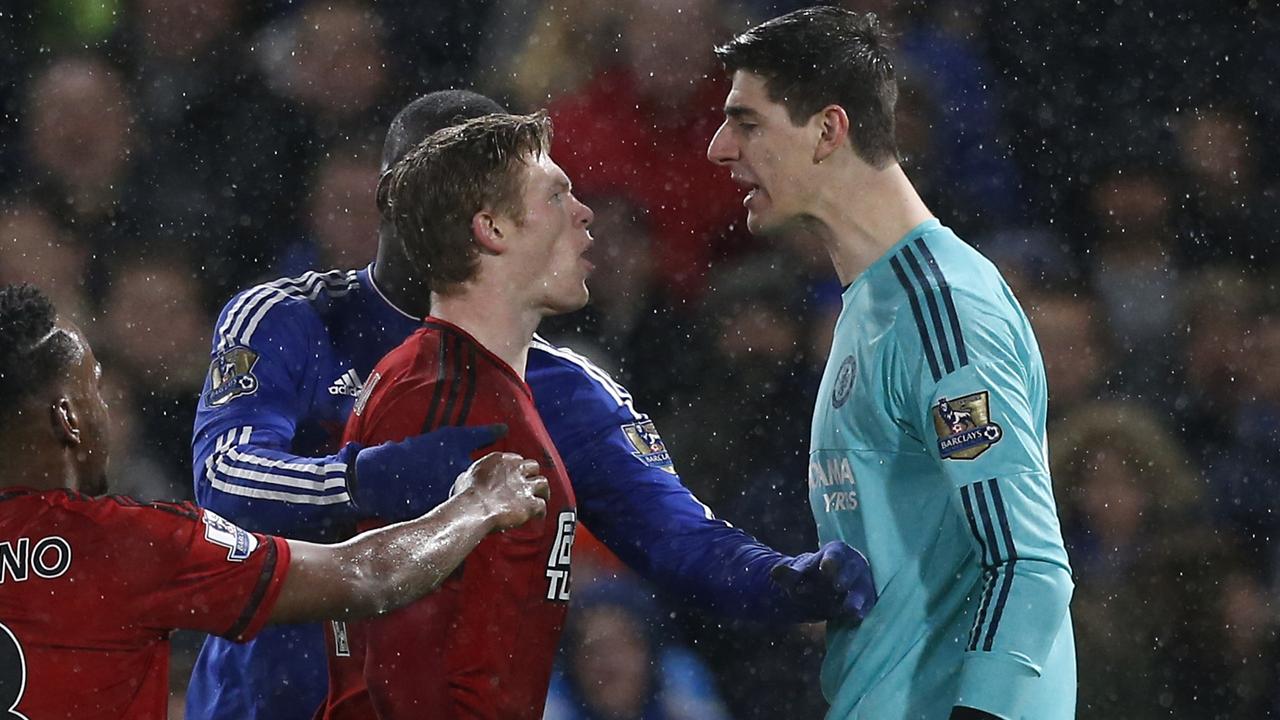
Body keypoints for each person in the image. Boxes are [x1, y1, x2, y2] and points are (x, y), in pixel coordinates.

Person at [186, 89, 874, 720]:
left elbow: (678, 539)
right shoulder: (290, 320)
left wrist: (785, 580)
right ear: (465, 214)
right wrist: (367, 479)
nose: (583, 214)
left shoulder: (567, 391)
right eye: (550, 195)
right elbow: (223, 480)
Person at [706, 8, 1074, 720]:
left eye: (746, 122)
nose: (721, 148)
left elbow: (1027, 567)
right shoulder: (875, 305)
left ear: (828, 130)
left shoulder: (944, 311)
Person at [0, 283, 549, 718]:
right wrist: (477, 505)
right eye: (94, 386)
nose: (107, 410)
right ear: (67, 419)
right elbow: (364, 576)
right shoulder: (128, 544)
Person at [322, 110, 588, 718]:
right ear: (491, 228)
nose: (584, 212)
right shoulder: (437, 399)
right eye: (557, 195)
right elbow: (394, 650)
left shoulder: (481, 384)